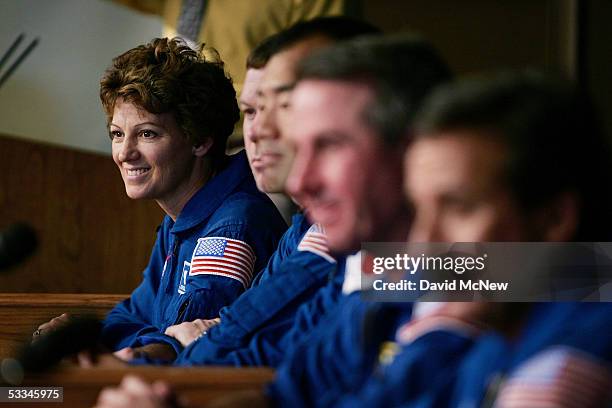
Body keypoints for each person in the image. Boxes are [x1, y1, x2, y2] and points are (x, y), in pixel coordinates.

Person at [93, 33, 452, 407]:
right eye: (253, 111)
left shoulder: (485, 272)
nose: (300, 180)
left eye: (330, 145)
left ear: (414, 148)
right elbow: (291, 386)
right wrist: (170, 353)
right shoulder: (370, 267)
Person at [34, 38, 287, 362]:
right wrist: (87, 334)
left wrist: (122, 342)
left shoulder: (234, 225)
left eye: (147, 133)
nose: (125, 153)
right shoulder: (180, 217)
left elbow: (179, 344)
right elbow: (136, 314)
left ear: (200, 140)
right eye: (117, 134)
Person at [160, 17, 380, 361]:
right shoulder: (311, 229)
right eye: (253, 110)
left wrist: (195, 349)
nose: (261, 129)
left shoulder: (460, 266)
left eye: (286, 106)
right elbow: (283, 344)